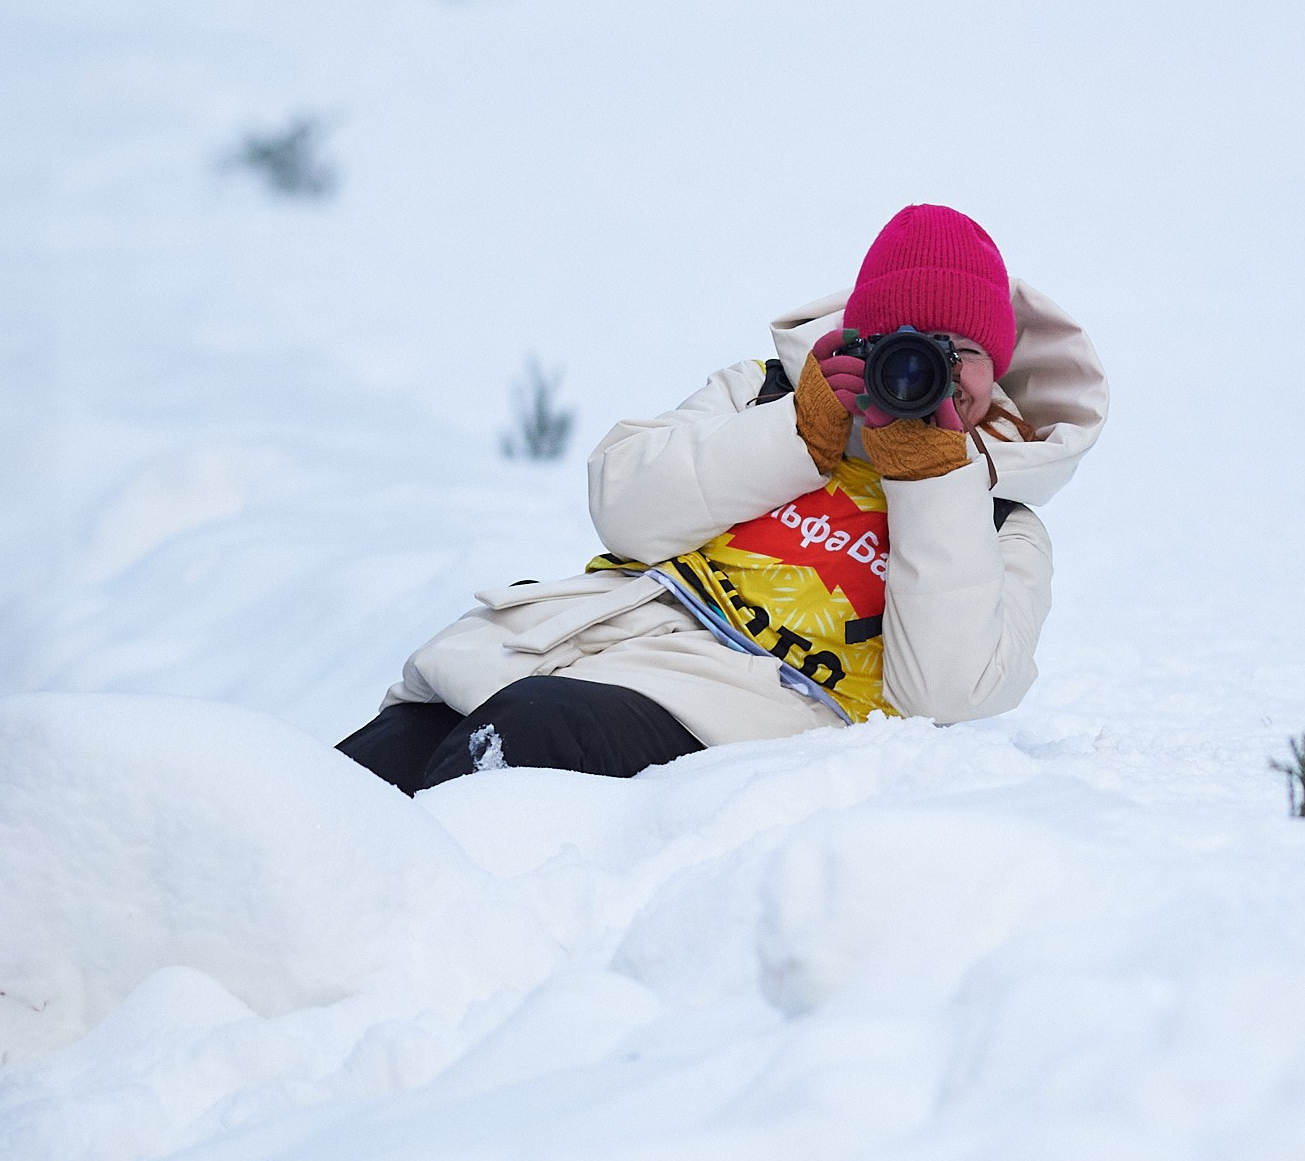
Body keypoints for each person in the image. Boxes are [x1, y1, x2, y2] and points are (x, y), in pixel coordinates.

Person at [338, 203, 1109, 794]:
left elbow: (948, 693)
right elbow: (625, 510)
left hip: (727, 718)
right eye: (899, 342)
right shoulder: (763, 395)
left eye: (959, 354)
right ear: (856, 342)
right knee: (371, 765)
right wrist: (797, 434)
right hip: (586, 653)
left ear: (997, 368)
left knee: (527, 732)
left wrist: (936, 479)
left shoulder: (1003, 525)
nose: (924, 372)